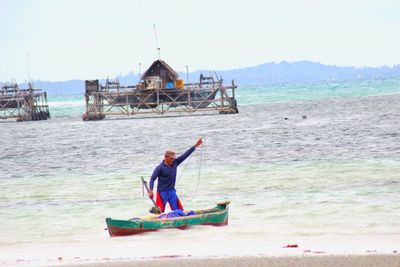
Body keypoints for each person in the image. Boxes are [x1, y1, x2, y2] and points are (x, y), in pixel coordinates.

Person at [148, 138, 203, 212]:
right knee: (159, 213)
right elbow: (152, 179)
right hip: (161, 193)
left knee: (179, 211)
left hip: (171, 192)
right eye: (171, 158)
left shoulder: (175, 163)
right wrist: (151, 191)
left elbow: (185, 155)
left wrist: (196, 145)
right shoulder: (159, 168)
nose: (173, 160)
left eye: (173, 158)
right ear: (166, 157)